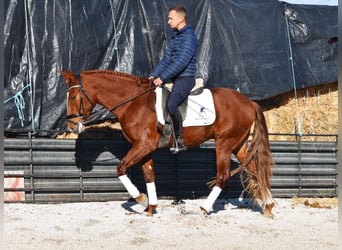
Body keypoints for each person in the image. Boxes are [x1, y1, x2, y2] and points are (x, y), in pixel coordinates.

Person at [149, 5, 199, 154]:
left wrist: (162, 78)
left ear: (181, 18)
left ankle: (179, 140)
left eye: (171, 18)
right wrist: (153, 75)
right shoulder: (176, 37)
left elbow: (181, 62)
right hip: (174, 78)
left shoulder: (189, 38)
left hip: (185, 78)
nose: (168, 21)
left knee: (171, 105)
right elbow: (166, 60)